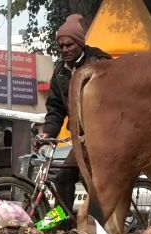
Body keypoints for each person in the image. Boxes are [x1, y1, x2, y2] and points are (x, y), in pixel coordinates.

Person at [36, 14, 111, 213]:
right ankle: (65, 228)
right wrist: (47, 133)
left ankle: (103, 227)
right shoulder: (60, 72)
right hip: (80, 138)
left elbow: (113, 101)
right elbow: (55, 109)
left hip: (105, 135)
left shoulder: (99, 62)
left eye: (69, 45)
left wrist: (95, 130)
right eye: (60, 47)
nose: (64, 50)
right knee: (63, 178)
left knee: (93, 182)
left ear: (79, 43)